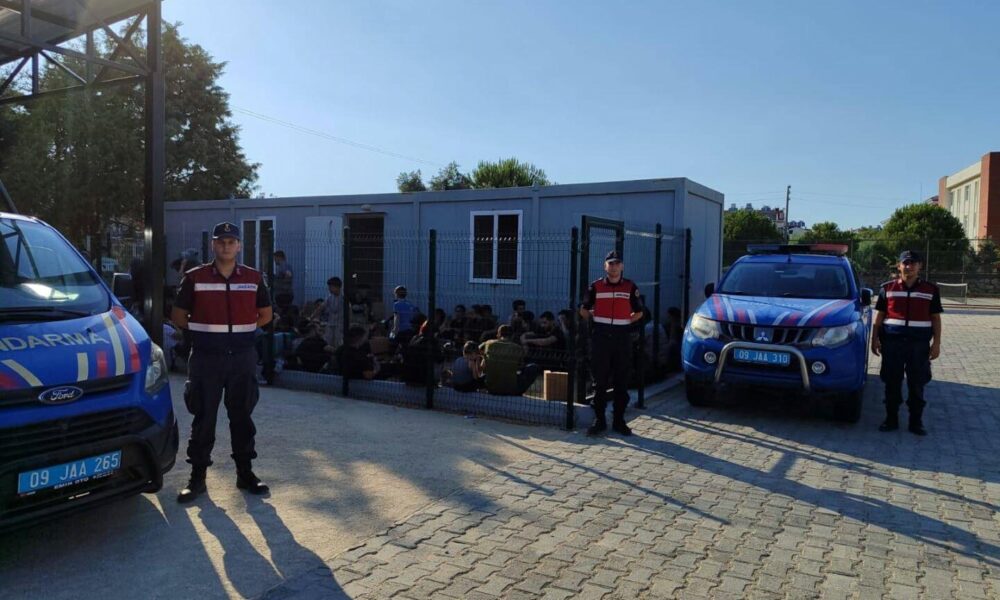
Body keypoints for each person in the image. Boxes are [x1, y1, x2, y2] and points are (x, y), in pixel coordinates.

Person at [171, 222, 273, 502]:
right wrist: (205, 334)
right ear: (213, 245)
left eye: (231, 242)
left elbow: (265, 315)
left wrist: (240, 331)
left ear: (239, 246)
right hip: (207, 358)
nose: (226, 246)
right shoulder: (195, 277)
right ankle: (197, 478)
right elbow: (178, 316)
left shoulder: (253, 278)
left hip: (241, 358)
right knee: (204, 417)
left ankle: (245, 473)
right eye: (221, 241)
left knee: (242, 416)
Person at [871, 250, 943, 436]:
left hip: (918, 345)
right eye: (905, 263)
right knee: (891, 382)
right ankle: (891, 419)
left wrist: (936, 344)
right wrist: (874, 339)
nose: (909, 266)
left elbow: (935, 318)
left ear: (920, 266)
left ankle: (916, 422)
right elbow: (879, 316)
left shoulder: (930, 290)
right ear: (899, 265)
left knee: (917, 383)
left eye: (913, 263)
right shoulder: (887, 288)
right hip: (892, 344)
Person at [579, 250, 644, 436]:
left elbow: (639, 312)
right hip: (601, 338)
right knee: (599, 381)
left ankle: (619, 421)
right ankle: (599, 420)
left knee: (621, 380)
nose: (614, 267)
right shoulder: (596, 286)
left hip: (622, 338)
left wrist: (624, 321)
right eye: (610, 264)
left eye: (617, 264)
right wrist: (596, 320)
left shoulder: (630, 286)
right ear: (605, 266)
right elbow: (583, 310)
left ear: (622, 266)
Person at [479, 325, 541, 395]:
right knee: (533, 367)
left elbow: (476, 351)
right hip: (511, 389)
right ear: (512, 336)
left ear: (498, 334)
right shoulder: (517, 348)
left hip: (491, 388)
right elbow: (520, 366)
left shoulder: (488, 343)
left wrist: (486, 359)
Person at [321, 276, 345, 348]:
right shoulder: (330, 297)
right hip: (330, 323)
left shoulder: (343, 297)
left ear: (337, 287)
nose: (329, 289)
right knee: (327, 341)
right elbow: (321, 307)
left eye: (331, 287)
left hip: (340, 324)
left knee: (338, 342)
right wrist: (312, 317)